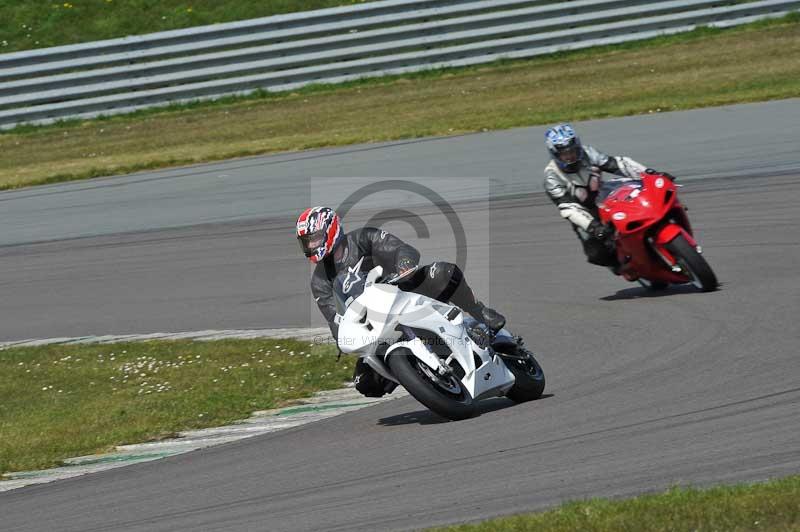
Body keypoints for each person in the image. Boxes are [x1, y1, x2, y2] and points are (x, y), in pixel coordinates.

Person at [296, 205, 505, 397]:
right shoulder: (319, 281)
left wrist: (404, 264)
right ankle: (417, 374)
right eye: (307, 242)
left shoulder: (363, 238)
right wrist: (343, 335)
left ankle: (480, 313)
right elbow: (334, 319)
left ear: (331, 230)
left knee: (443, 272)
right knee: (364, 382)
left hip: (403, 290)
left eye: (315, 238)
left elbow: (399, 248)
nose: (312, 245)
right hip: (373, 323)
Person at [542, 123, 671, 272]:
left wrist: (651, 173)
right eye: (564, 154)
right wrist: (593, 227)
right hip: (585, 212)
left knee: (645, 191)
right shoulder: (552, 176)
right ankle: (625, 265)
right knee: (597, 254)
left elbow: (617, 164)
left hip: (605, 195)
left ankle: (664, 217)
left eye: (573, 151)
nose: (570, 156)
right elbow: (568, 208)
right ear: (555, 154)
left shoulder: (588, 153)